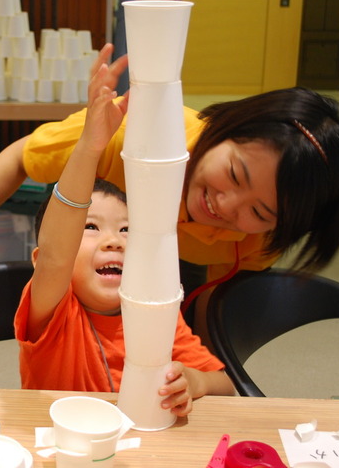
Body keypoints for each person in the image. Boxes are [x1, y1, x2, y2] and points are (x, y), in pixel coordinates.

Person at [0, 43, 339, 313]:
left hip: (169, 276)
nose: (226, 205)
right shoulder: (131, 131)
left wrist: (201, 369)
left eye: (260, 210)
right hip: (76, 252)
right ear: (225, 127)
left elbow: (215, 298)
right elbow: (18, 159)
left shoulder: (263, 236)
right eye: (234, 173)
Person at [13, 73, 234, 415]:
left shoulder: (156, 312)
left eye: (127, 230)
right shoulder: (56, 315)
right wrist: (90, 147)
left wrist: (195, 381)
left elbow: (226, 387)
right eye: (90, 227)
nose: (114, 241)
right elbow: (57, 254)